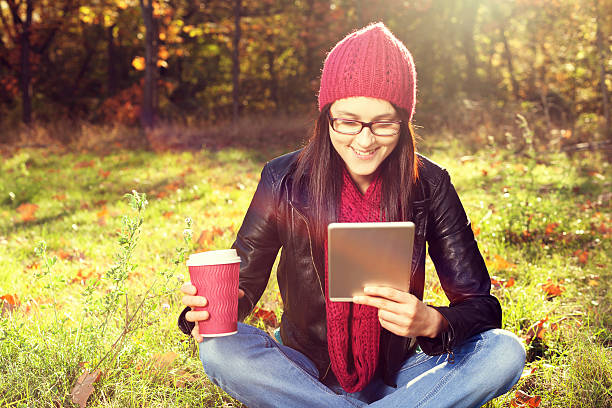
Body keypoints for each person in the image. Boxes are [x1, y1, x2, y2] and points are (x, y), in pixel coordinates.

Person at [178, 22, 525, 407]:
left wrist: (433, 322)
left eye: (383, 123)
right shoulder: (283, 178)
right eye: (347, 121)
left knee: (503, 352)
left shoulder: (429, 183)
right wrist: (204, 312)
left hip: (401, 369)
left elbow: (481, 305)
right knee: (220, 350)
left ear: (404, 121)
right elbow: (243, 282)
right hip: (302, 368)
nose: (364, 140)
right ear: (326, 116)